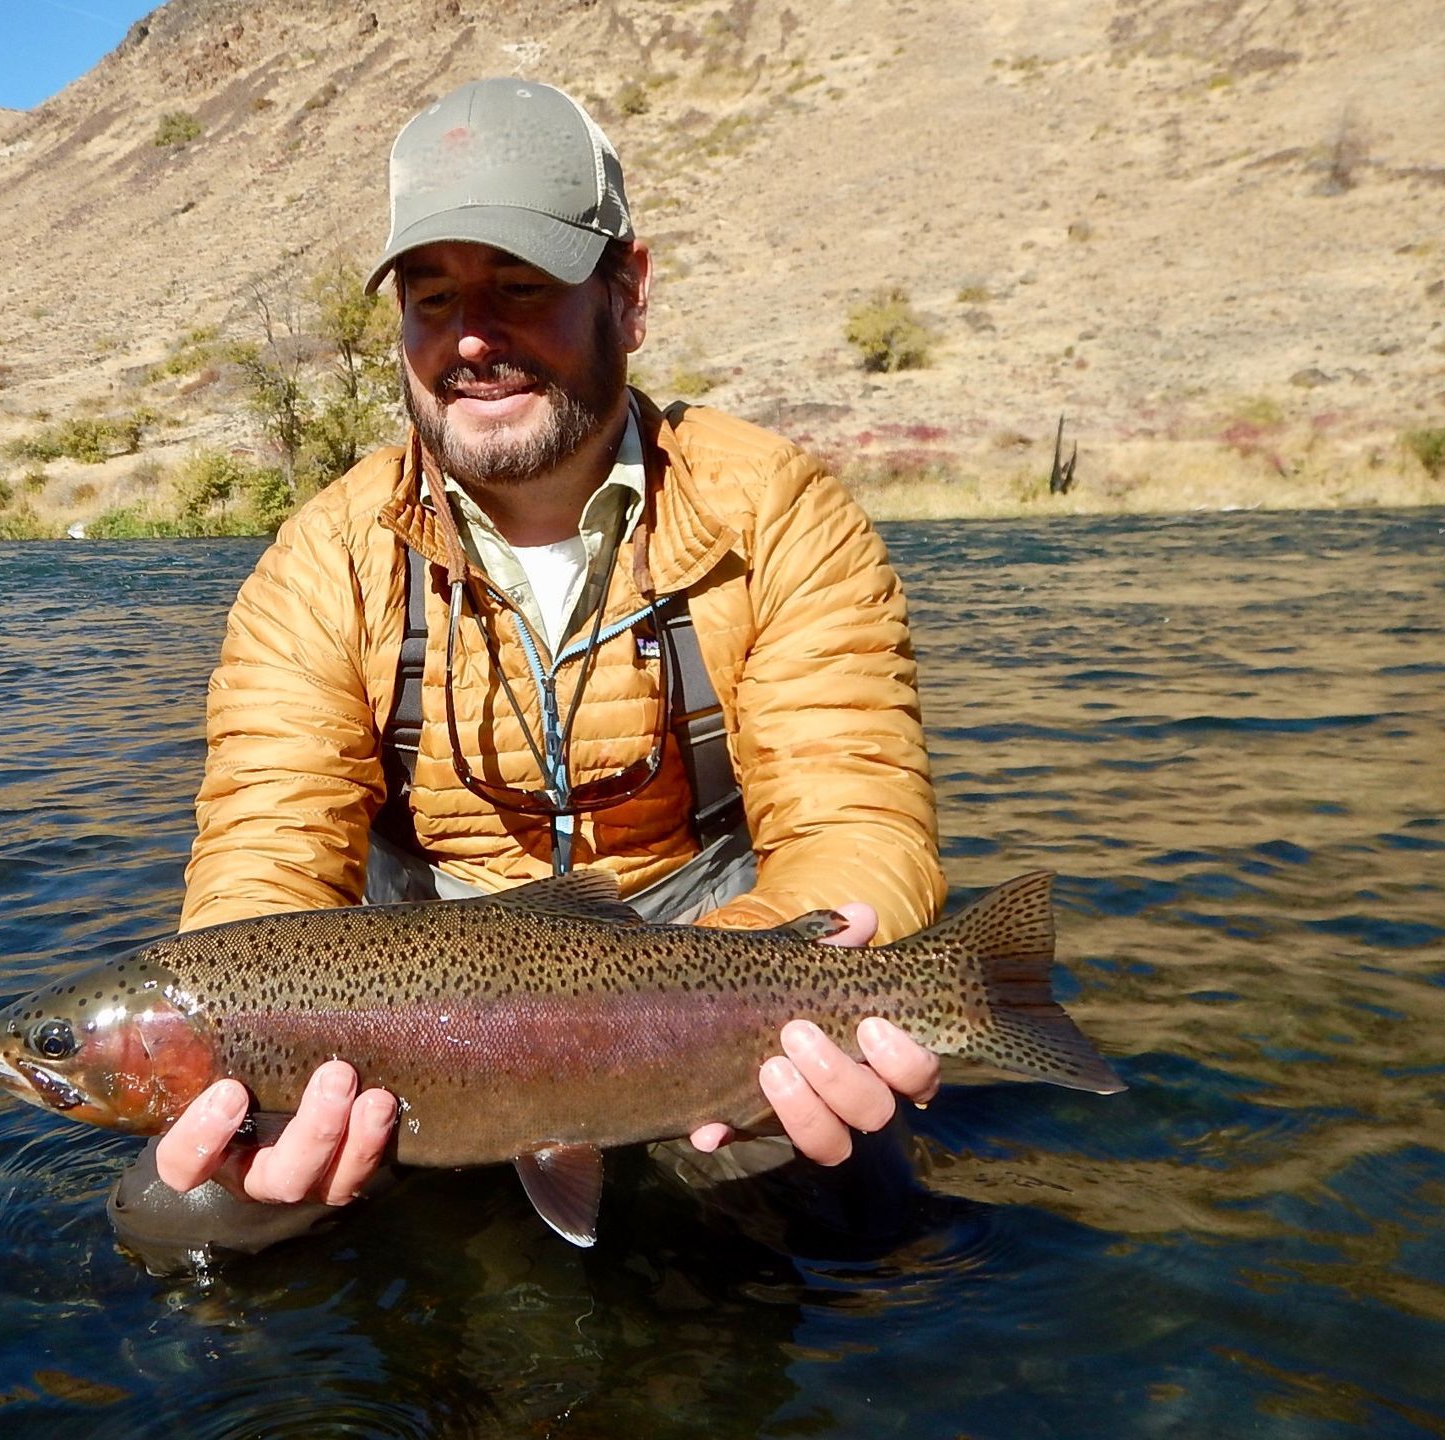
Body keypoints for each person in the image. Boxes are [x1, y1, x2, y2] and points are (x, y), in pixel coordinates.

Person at [108, 78, 945, 1261]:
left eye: (522, 286)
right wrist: (250, 1071)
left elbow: (851, 811)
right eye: (433, 295)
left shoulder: (777, 514)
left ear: (631, 294)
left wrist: (731, 1004)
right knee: (185, 1213)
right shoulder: (323, 561)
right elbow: (265, 858)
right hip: (412, 1009)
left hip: (700, 958)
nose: (472, 336)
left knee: (839, 1190)